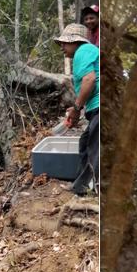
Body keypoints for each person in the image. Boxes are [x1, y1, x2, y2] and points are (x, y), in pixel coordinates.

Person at [53, 23, 99, 196]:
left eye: (65, 43)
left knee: (95, 149)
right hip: (95, 109)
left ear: (76, 42)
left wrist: (76, 108)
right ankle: (80, 186)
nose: (62, 48)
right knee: (85, 143)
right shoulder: (87, 52)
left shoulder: (83, 51)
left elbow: (89, 80)